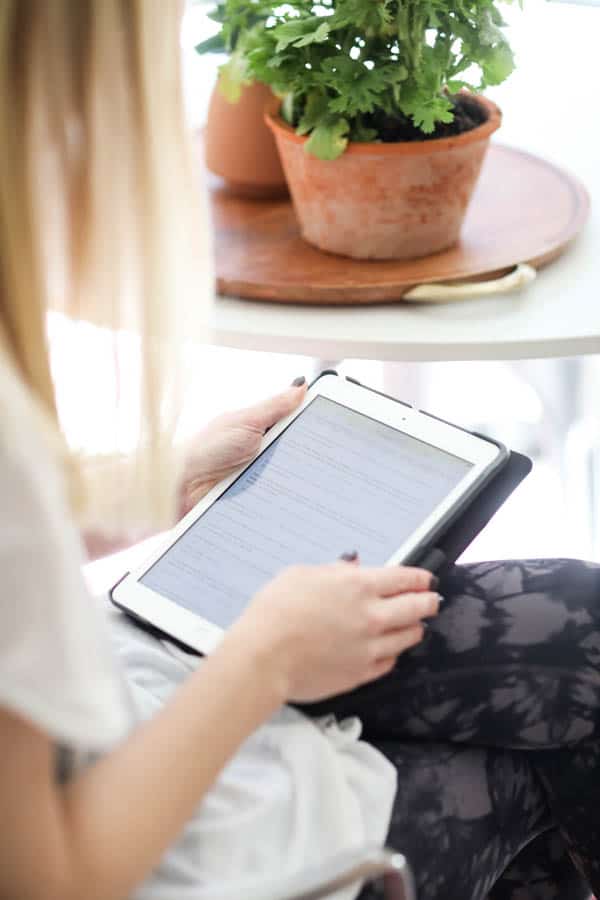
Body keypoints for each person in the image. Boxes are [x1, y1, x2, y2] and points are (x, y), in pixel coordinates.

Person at [0, 3, 598, 900]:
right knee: (521, 769)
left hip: (118, 708)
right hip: (142, 837)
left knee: (579, 614)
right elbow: (49, 881)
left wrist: (169, 480)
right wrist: (263, 659)